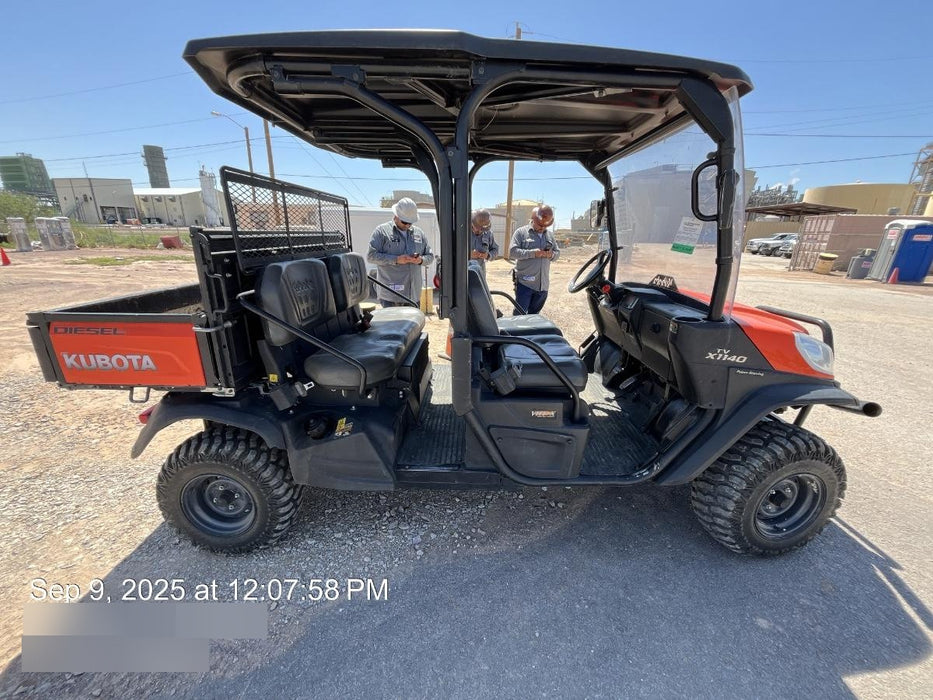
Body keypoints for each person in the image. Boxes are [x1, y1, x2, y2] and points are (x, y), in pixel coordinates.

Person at [367, 197, 434, 308]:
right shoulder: (381, 232)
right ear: (396, 216)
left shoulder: (419, 233)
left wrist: (420, 260)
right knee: (392, 325)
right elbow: (371, 256)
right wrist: (396, 259)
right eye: (405, 222)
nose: (408, 225)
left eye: (410, 223)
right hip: (391, 296)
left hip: (413, 295)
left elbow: (430, 256)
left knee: (412, 325)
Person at [509, 204, 560, 315]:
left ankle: (531, 332)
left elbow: (557, 253)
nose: (542, 227)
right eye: (540, 224)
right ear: (533, 219)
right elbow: (512, 252)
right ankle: (516, 333)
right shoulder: (521, 233)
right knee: (520, 315)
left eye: (545, 225)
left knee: (534, 316)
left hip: (543, 285)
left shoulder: (550, 236)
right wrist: (533, 253)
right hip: (525, 283)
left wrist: (551, 255)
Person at [469, 208, 499, 272]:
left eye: (482, 230)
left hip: (480, 271)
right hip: (463, 273)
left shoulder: (488, 234)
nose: (480, 231)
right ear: (472, 223)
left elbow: (495, 250)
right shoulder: (462, 232)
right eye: (477, 228)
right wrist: (467, 254)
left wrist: (488, 255)